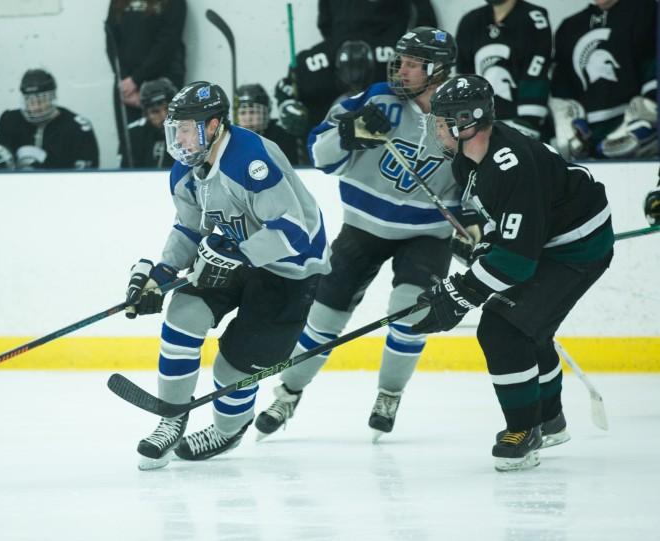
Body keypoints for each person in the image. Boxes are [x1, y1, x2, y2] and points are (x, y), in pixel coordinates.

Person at [256, 27, 461, 443]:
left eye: (410, 62)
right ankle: (288, 393)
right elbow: (319, 153)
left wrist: (476, 223)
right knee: (322, 320)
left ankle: (389, 394)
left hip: (428, 234)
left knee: (410, 312)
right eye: (399, 59)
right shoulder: (377, 98)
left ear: (436, 70)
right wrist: (349, 133)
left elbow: (480, 176)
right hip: (364, 228)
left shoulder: (462, 112)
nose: (398, 68)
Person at [124, 81, 329, 470]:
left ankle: (227, 430)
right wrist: (161, 276)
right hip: (237, 253)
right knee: (182, 314)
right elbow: (188, 229)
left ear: (214, 125)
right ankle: (171, 419)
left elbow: (293, 231)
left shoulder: (251, 160)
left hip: (291, 269)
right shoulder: (185, 172)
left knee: (231, 369)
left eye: (186, 128)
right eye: (176, 128)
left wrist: (238, 254)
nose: (179, 137)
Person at [418, 74, 613, 471]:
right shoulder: (468, 160)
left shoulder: (512, 165)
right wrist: (485, 247)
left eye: (441, 121)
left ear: (466, 122)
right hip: (545, 238)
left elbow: (517, 262)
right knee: (527, 324)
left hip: (578, 247)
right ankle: (550, 419)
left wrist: (460, 295)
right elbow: (504, 228)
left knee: (502, 329)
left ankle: (524, 429)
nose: (435, 129)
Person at [550, 0, 657, 159]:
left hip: (637, 138)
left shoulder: (647, 11)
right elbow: (563, 89)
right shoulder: (569, 28)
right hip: (588, 143)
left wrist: (650, 109)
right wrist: (570, 123)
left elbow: (653, 67)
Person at [456, 0, 552, 140]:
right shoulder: (470, 21)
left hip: (522, 122)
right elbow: (464, 75)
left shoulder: (534, 17)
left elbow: (537, 69)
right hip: (481, 124)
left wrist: (529, 121)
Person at [105, 0, 186, 135]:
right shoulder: (118, 2)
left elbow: (167, 43)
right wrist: (124, 81)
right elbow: (111, 39)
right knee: (130, 143)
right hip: (126, 88)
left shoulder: (174, 3)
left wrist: (136, 80)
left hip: (163, 83)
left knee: (168, 141)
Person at [0, 69, 99, 170]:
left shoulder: (77, 127)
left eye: (42, 100)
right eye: (30, 101)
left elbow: (85, 176)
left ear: (53, 97)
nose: (36, 107)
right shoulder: (9, 120)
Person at [318, 0, 437, 83]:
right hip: (342, 66)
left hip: (387, 66)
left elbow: (426, 20)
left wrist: (411, 55)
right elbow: (325, 22)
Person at [235, 84, 300, 166]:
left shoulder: (282, 135)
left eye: (253, 112)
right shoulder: (230, 139)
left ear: (267, 112)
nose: (248, 118)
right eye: (243, 113)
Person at [119, 77, 177, 169]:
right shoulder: (133, 134)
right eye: (155, 111)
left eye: (168, 108)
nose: (164, 116)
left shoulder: (189, 131)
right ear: (146, 114)